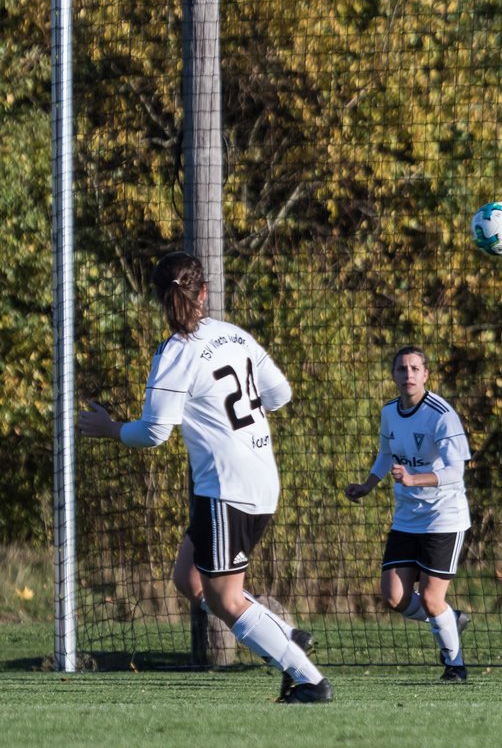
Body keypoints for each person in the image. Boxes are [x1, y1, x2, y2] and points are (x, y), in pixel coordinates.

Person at [77, 251, 331, 703]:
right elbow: (281, 393)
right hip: (253, 477)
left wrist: (110, 428)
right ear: (204, 292)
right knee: (188, 579)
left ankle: (308, 678)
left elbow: (155, 433)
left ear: (157, 298)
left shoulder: (176, 352)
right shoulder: (234, 334)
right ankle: (284, 632)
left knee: (225, 599)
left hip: (226, 487)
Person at [344, 346, 473, 682]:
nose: (409, 375)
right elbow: (386, 454)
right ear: (394, 375)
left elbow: (456, 471)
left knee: (431, 599)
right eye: (402, 369)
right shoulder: (389, 412)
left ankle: (455, 665)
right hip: (407, 516)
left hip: (444, 516)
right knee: (393, 596)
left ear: (426, 374)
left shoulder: (441, 414)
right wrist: (368, 485)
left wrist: (415, 479)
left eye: (415, 368)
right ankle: (448, 618)